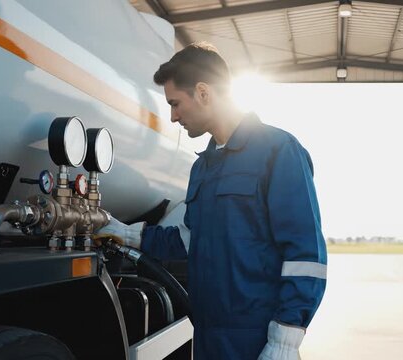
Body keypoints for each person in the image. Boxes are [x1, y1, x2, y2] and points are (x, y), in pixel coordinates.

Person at [98, 42, 327, 359]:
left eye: (176, 104)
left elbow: (306, 255)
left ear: (203, 93)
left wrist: (284, 341)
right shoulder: (202, 167)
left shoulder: (278, 150)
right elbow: (190, 240)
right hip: (208, 334)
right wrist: (128, 234)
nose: (173, 117)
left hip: (257, 337)